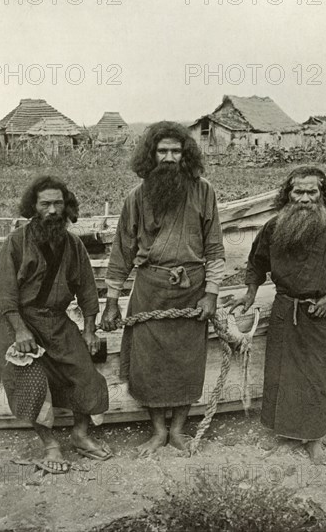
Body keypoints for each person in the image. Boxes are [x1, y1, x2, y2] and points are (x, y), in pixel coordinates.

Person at [101, 121, 225, 455]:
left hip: (192, 290)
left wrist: (211, 293)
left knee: (187, 361)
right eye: (162, 151)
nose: (169, 157)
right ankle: (158, 432)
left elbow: (214, 248)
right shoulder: (136, 197)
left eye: (176, 150)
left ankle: (178, 432)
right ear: (151, 154)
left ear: (186, 154)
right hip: (149, 289)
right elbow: (122, 251)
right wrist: (111, 301)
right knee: (149, 363)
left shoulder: (204, 191)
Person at [224, 166, 326, 464]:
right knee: (281, 375)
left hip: (320, 313)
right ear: (288, 194)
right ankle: (284, 434)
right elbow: (256, 264)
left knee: (316, 378)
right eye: (298, 192)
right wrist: (249, 294)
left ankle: (314, 440)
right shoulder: (274, 227)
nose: (304, 199)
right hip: (285, 310)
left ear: (323, 195)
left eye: (312, 192)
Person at [0, 176, 112, 473]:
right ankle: (51, 446)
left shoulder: (73, 244)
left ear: (66, 205)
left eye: (58, 203)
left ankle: (80, 435)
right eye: (45, 204)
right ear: (34, 206)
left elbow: (86, 289)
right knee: (31, 381)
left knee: (86, 374)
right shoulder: (16, 242)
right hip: (20, 322)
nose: (53, 210)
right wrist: (19, 330)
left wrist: (88, 330)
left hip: (57, 321)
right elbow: (4, 291)